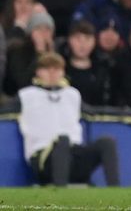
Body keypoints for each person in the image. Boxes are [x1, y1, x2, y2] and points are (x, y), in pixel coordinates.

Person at [18, 52, 121, 186]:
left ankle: (115, 191)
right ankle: (61, 191)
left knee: (107, 142)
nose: (52, 73)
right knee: (62, 141)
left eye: (56, 69)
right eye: (47, 69)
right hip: (44, 158)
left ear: (63, 72)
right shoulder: (26, 96)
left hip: (74, 154)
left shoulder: (72, 94)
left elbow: (95, 113)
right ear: (38, 72)